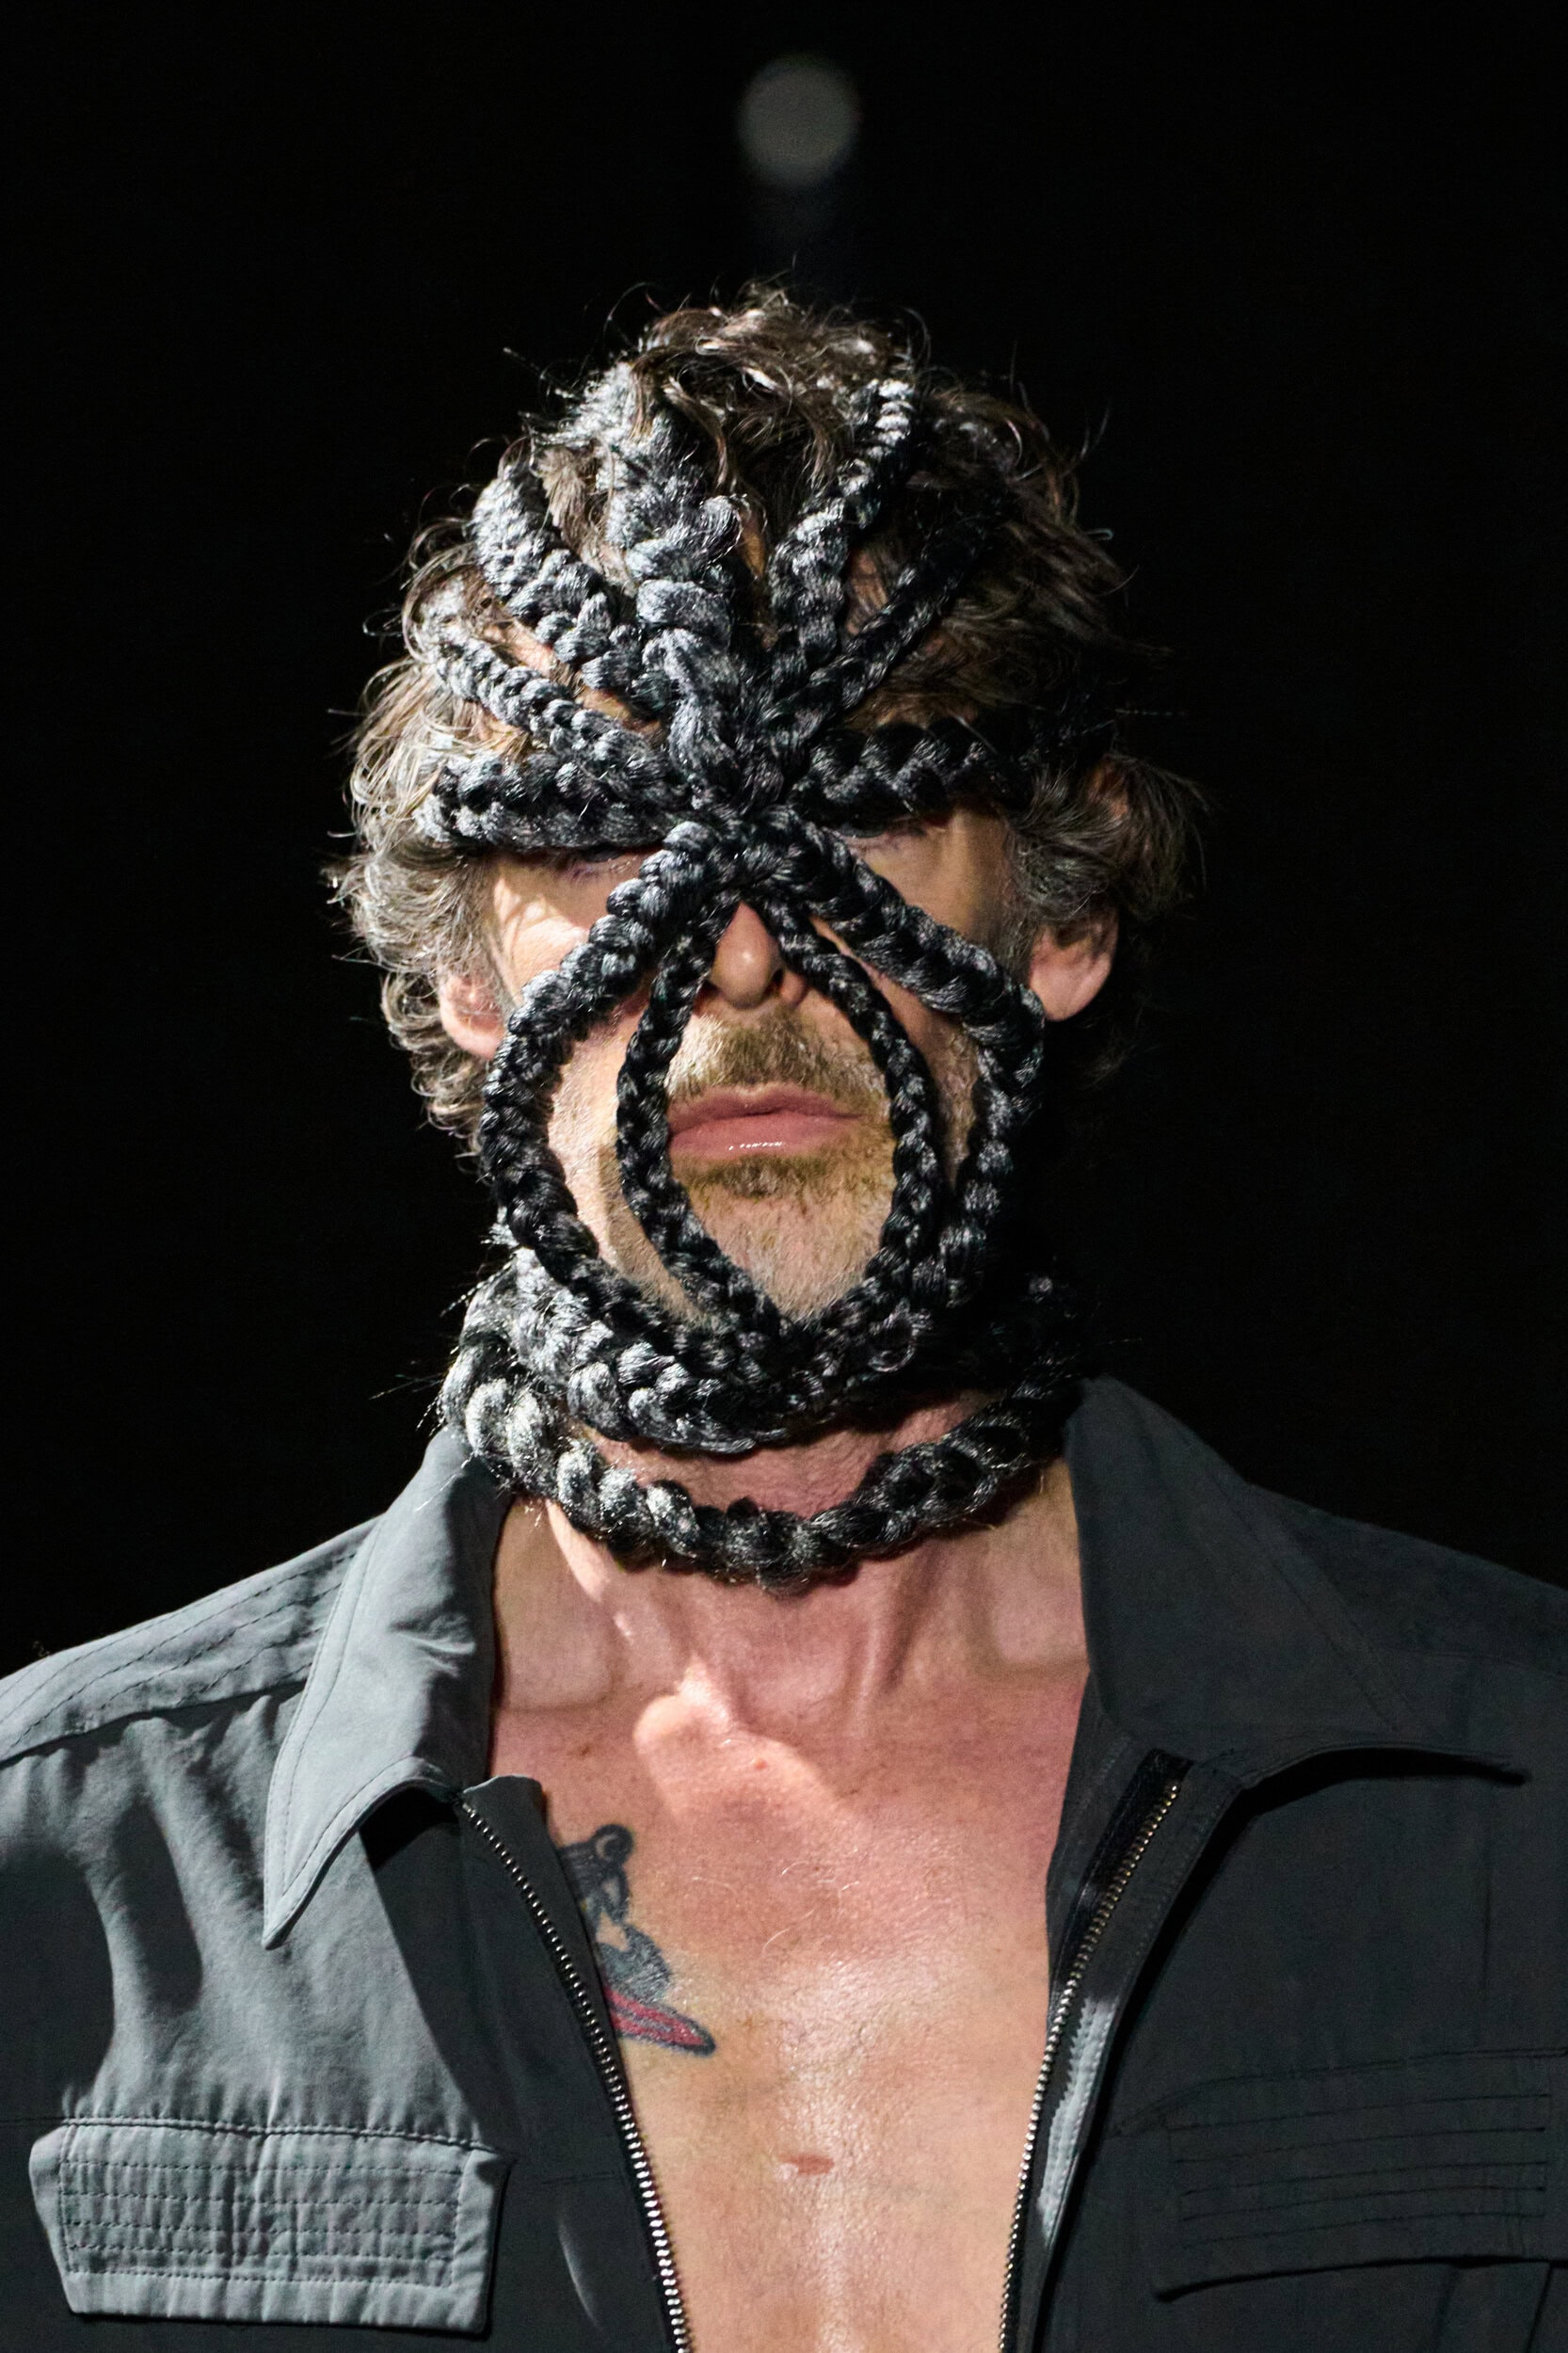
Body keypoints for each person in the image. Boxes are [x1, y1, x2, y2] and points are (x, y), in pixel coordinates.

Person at [2, 294, 1562, 2353]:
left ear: (1060, 915)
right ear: (468, 976)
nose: (739, 945)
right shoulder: (70, 1880)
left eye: (854, 797)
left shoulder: (1513, 1803)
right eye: (605, 825)